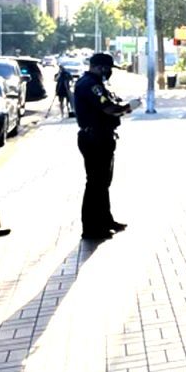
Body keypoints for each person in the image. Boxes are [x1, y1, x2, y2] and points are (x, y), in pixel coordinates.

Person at [74, 53, 134, 240]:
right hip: (94, 139)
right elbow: (108, 108)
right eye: (107, 69)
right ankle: (91, 228)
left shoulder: (96, 83)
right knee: (95, 183)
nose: (109, 73)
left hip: (102, 137)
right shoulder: (90, 85)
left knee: (103, 183)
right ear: (100, 67)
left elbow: (111, 104)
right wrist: (128, 107)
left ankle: (105, 220)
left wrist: (122, 106)